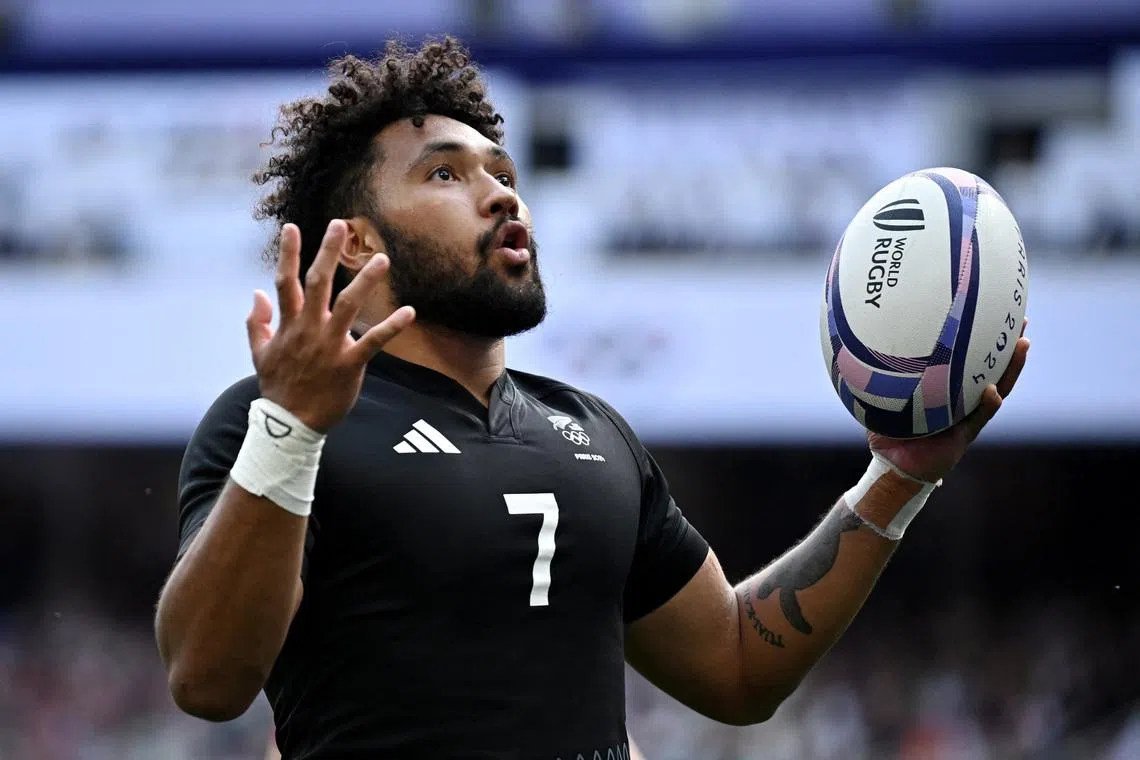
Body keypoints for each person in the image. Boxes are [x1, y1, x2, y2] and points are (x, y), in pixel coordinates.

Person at [154, 37, 1029, 760]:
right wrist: (292, 424)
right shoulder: (271, 422)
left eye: (502, 171)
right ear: (355, 244)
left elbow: (734, 667)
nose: (502, 192)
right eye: (446, 175)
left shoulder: (593, 431)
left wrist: (899, 475)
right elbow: (206, 679)